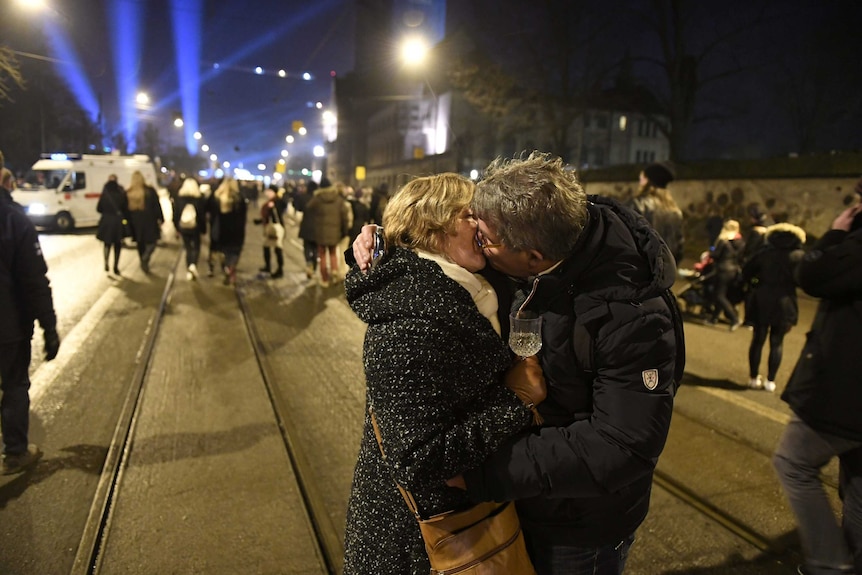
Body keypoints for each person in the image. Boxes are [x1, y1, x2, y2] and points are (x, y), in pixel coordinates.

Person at [353, 152, 681, 575]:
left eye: (485, 236)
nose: (478, 239)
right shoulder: (499, 266)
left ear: (532, 258)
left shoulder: (631, 314)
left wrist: (482, 474)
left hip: (575, 523)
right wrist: (385, 239)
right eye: (469, 220)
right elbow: (420, 265)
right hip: (512, 504)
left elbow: (621, 445)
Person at [342, 172, 547, 575]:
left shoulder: (467, 290)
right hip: (418, 541)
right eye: (470, 215)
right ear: (433, 226)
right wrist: (516, 400)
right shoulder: (410, 324)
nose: (483, 226)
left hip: (458, 521)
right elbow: (418, 460)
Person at [773, 197, 862, 575]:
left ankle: (830, 564)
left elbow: (814, 274)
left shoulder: (856, 245)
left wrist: (835, 233)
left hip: (846, 388)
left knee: (792, 462)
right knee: (858, 481)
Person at [0, 166, 60, 475]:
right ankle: (15, 453)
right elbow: (34, 280)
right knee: (14, 386)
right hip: (7, 325)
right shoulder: (14, 220)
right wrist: (49, 326)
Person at [741, 223, 806, 392]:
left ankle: (753, 378)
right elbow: (804, 280)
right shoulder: (798, 256)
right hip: (786, 301)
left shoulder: (764, 253)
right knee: (777, 342)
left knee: (758, 339)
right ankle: (770, 381)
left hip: (762, 299)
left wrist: (756, 282)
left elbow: (746, 272)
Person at [626, 162, 684, 263]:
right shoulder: (674, 210)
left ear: (647, 181)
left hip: (639, 270)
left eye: (642, 177)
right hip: (665, 271)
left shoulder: (636, 204)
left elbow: (625, 239)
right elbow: (679, 247)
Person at [305, 178, 352, 286]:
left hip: (320, 232)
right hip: (334, 232)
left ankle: (325, 280)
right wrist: (344, 230)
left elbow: (308, 208)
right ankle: (334, 270)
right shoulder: (338, 199)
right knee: (332, 254)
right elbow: (345, 216)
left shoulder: (317, 199)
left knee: (322, 256)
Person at [707, 218, 745, 330]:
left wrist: (711, 252)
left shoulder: (723, 240)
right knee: (723, 294)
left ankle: (734, 318)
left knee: (719, 295)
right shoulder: (741, 242)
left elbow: (715, 255)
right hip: (733, 270)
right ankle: (714, 318)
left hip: (722, 269)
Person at [208, 175, 247, 286]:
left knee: (223, 251)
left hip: (220, 231)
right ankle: (230, 268)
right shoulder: (240, 199)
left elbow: (207, 210)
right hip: (236, 231)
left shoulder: (216, 197)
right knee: (234, 253)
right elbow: (243, 218)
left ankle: (225, 266)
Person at [125, 170, 164, 273]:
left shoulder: (128, 192)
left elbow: (125, 209)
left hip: (135, 222)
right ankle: (145, 258)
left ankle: (142, 259)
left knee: (140, 243)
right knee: (152, 242)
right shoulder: (149, 191)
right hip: (149, 220)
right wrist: (161, 218)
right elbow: (157, 205)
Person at [172, 177, 207, 281]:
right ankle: (193, 265)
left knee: (187, 248)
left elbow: (175, 214)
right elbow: (202, 215)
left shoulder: (179, 198)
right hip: (195, 227)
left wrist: (177, 227)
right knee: (196, 247)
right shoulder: (199, 199)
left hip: (183, 227)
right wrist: (203, 228)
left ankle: (188, 268)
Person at [96, 174, 128, 276]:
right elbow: (125, 207)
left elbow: (98, 208)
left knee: (107, 243)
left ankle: (106, 262)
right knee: (117, 244)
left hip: (106, 221)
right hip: (118, 222)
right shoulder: (121, 192)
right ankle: (116, 266)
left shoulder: (105, 193)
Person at [259, 184, 287, 278]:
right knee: (266, 246)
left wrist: (273, 206)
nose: (267, 193)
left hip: (277, 228)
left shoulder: (277, 201)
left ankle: (280, 270)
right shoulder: (270, 202)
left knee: (277, 248)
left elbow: (281, 208)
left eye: (269, 191)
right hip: (270, 227)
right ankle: (268, 266)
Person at [293, 179, 318, 280]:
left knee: (306, 247)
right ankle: (315, 265)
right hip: (317, 226)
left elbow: (298, 209)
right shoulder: (318, 198)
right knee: (315, 248)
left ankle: (309, 263)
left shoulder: (303, 197)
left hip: (306, 225)